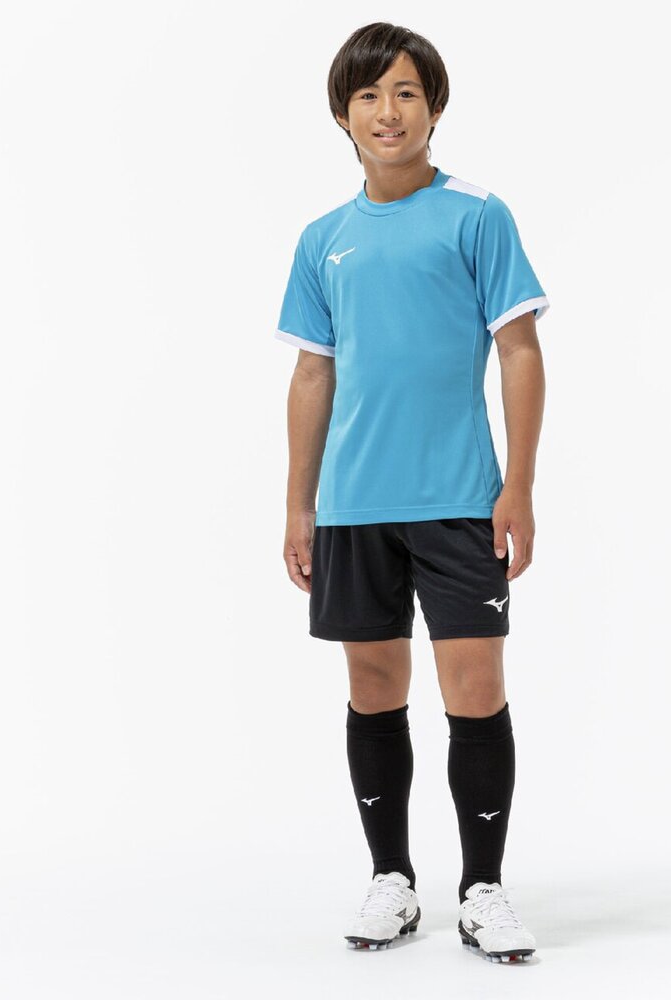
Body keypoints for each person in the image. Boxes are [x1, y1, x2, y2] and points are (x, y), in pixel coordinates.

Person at [275, 22, 548, 964]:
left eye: (404, 93)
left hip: (460, 498)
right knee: (374, 687)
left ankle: (483, 888)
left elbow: (520, 351)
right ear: (342, 115)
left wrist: (519, 485)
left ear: (434, 106)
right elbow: (313, 373)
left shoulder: (477, 214)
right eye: (368, 96)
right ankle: (391, 878)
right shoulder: (323, 239)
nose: (387, 112)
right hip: (355, 505)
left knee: (475, 688)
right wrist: (299, 504)